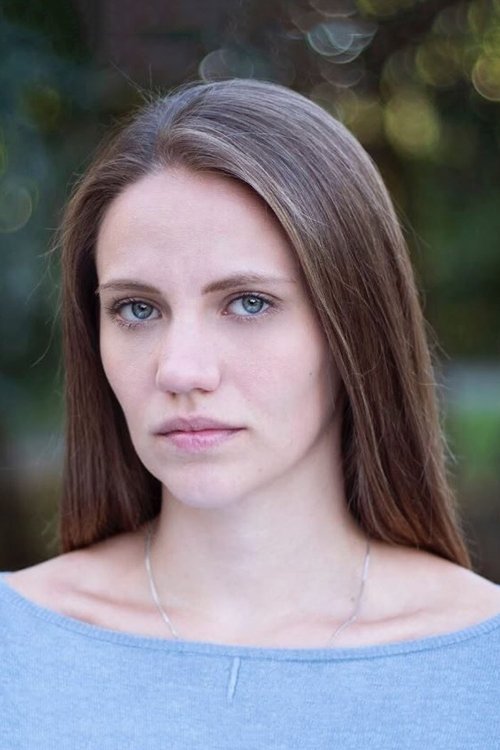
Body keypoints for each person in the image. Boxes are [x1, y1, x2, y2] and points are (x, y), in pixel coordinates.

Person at [1, 78, 498, 749]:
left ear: (355, 327)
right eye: (137, 309)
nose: (180, 370)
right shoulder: (17, 644)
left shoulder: (480, 662)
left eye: (248, 303)